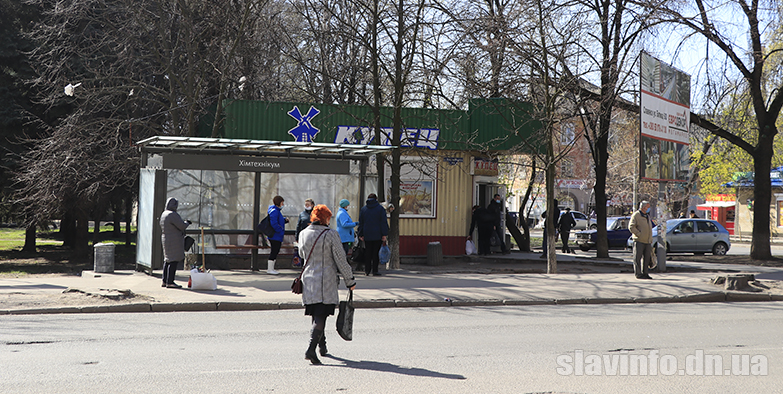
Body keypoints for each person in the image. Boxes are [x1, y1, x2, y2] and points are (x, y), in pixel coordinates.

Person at [299, 205, 356, 365]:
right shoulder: (331, 235)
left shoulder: (303, 234)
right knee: (321, 316)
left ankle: (322, 347)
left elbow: (302, 255)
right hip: (326, 281)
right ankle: (311, 349)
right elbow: (340, 259)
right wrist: (350, 281)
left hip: (309, 280)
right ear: (325, 218)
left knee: (315, 314)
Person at [160, 197, 191, 288]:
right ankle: (170, 281)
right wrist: (187, 223)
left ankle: (165, 280)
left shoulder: (164, 214)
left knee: (167, 260)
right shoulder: (172, 215)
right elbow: (181, 226)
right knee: (173, 261)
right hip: (174, 240)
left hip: (166, 238)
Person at [357, 193, 389, 276]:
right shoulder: (380, 209)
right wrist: (384, 234)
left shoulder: (364, 209)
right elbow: (383, 222)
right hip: (377, 234)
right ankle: (375, 270)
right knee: (375, 253)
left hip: (367, 234)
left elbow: (361, 223)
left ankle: (367, 270)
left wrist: (360, 234)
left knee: (368, 252)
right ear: (376, 199)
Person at [629, 201, 654, 280]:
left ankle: (645, 273)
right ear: (643, 207)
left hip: (647, 241)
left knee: (647, 259)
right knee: (637, 258)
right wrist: (638, 234)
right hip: (639, 240)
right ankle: (638, 274)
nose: (649, 209)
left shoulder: (647, 216)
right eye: (648, 207)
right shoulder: (636, 215)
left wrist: (650, 238)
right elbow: (631, 227)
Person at [265, 195, 289, 275]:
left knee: (275, 251)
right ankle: (270, 269)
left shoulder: (276, 211)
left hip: (276, 235)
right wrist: (280, 230)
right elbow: (274, 223)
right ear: (279, 203)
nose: (283, 204)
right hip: (275, 235)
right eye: (282, 203)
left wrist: (284, 220)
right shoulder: (275, 211)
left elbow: (278, 221)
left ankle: (271, 268)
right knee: (274, 251)